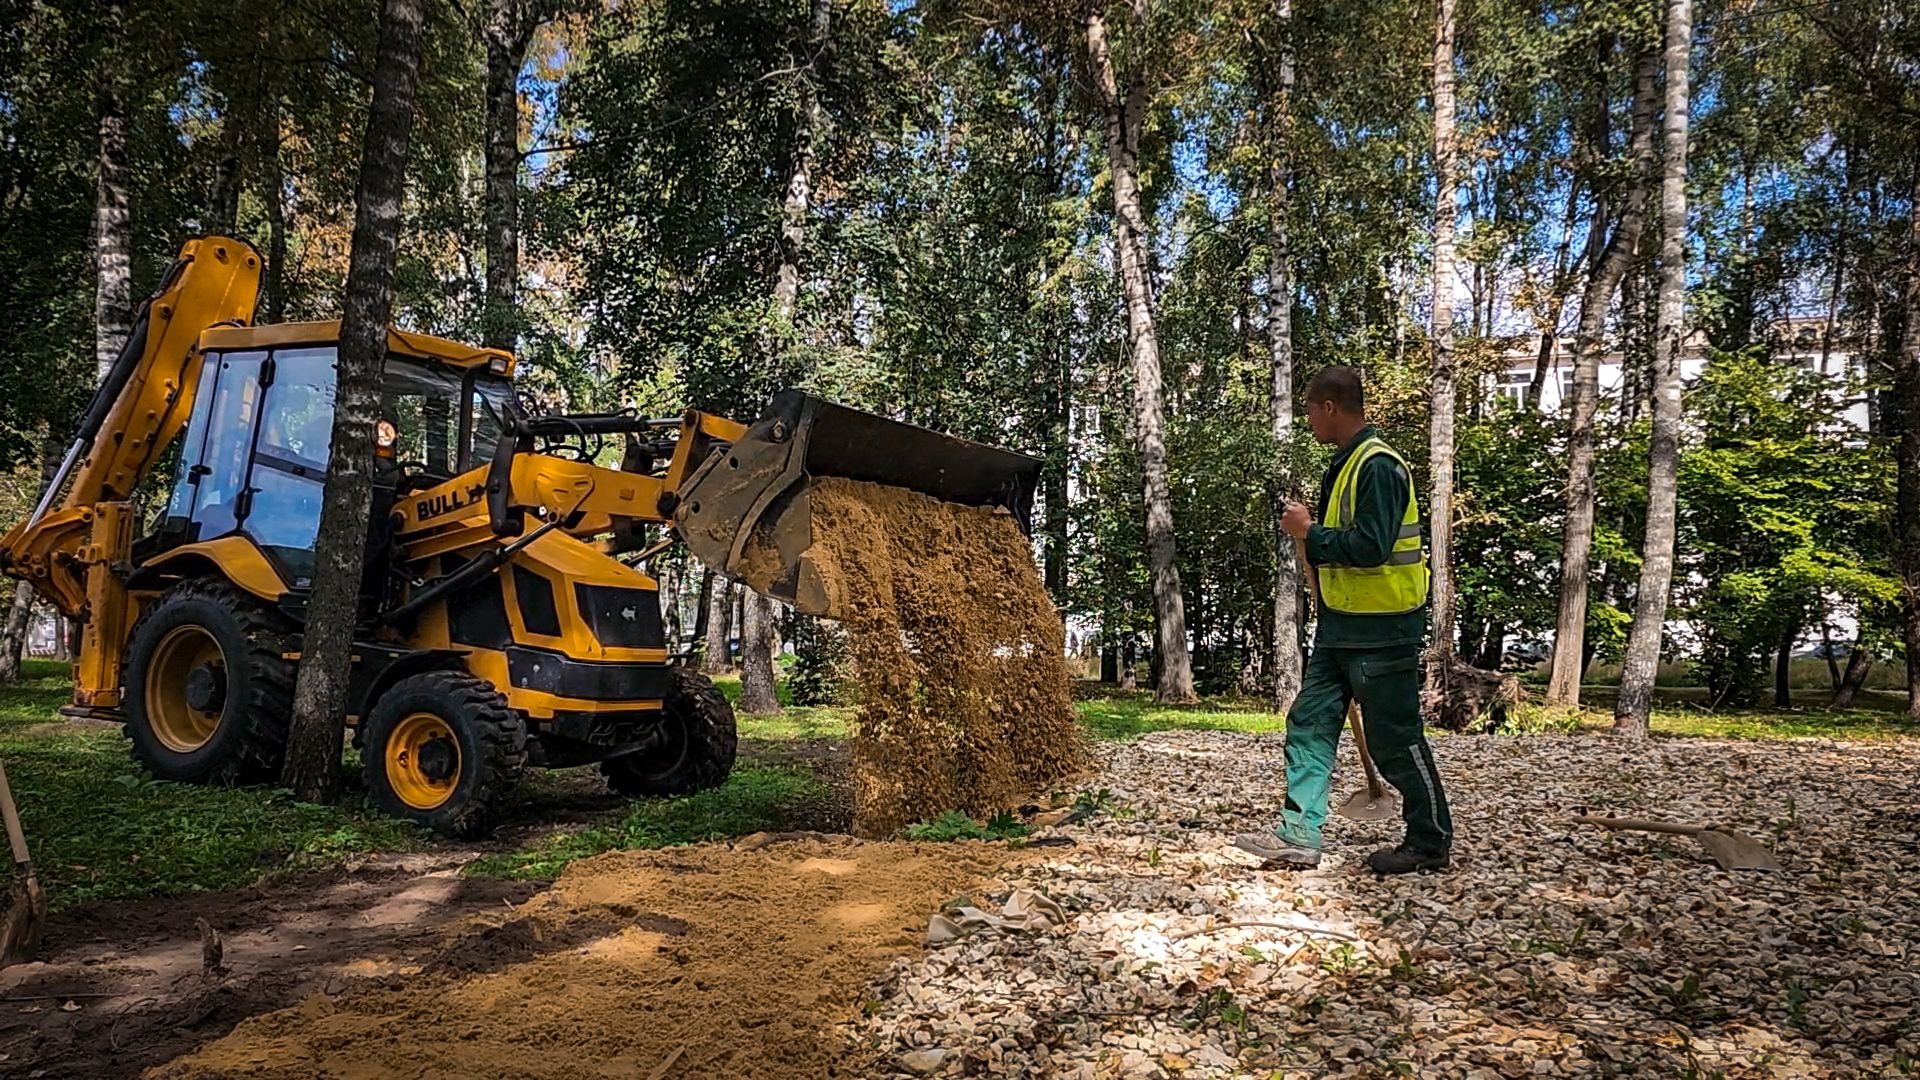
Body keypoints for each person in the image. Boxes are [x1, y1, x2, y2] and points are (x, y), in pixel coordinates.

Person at [1234, 366, 1453, 875]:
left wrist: (1310, 533)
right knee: (1309, 722)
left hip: (1383, 629)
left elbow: (1372, 546)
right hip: (1340, 627)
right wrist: (1313, 534)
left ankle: (1429, 840)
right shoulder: (1347, 463)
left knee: (1393, 738)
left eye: (1310, 410)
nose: (1308, 420)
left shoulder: (1379, 466)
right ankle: (1299, 835)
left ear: (1329, 407)